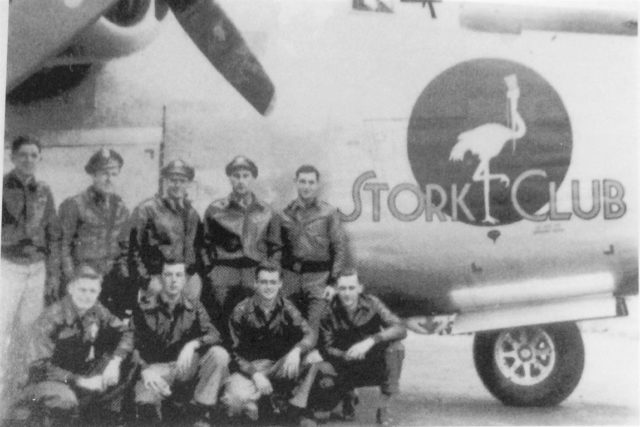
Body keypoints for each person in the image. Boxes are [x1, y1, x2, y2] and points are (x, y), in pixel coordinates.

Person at [11, 265, 136, 425]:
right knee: (65, 400)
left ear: (99, 292)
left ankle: (103, 417)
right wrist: (81, 381)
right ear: (71, 289)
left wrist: (115, 362)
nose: (87, 296)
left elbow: (126, 332)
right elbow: (39, 367)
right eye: (82, 290)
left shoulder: (96, 309)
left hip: (79, 372)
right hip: (47, 381)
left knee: (131, 360)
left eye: (92, 291)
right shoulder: (52, 317)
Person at [0, 135, 62, 416]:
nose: (28, 160)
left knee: (28, 330)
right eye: (23, 154)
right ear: (12, 157)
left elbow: (54, 235)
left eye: (34, 155)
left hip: (36, 268)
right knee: (2, 330)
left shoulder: (44, 191)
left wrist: (52, 275)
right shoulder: (3, 186)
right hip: (8, 266)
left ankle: (20, 391)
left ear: (39, 159)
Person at [133, 260, 229, 425]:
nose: (173, 280)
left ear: (184, 280)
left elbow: (214, 334)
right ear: (162, 278)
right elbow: (131, 344)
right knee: (145, 401)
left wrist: (192, 345)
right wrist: (145, 369)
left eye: (178, 275)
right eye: (168, 275)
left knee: (219, 355)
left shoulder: (194, 305)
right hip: (157, 369)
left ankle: (199, 413)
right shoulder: (145, 308)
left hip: (185, 365)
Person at [224, 264, 318, 426]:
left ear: (280, 284)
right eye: (264, 282)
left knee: (313, 357)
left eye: (273, 282)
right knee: (234, 402)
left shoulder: (287, 308)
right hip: (250, 370)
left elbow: (310, 334)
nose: (268, 287)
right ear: (255, 283)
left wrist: (296, 350)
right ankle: (262, 405)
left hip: (277, 367)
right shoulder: (241, 311)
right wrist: (255, 374)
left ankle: (295, 410)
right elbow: (233, 352)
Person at [201, 155, 280, 337]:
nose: (241, 180)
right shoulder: (215, 209)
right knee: (220, 319)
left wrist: (269, 272)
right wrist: (211, 270)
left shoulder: (267, 211)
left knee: (255, 317)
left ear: (252, 178)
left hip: (255, 270)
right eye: (236, 176)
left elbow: (276, 247)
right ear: (229, 178)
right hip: (224, 270)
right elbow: (204, 244)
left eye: (246, 175)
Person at [315, 272, 407, 426]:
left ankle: (384, 407)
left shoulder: (372, 303)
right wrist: (346, 355)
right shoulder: (328, 311)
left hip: (371, 361)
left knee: (396, 348)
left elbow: (400, 328)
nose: (347, 293)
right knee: (321, 413)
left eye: (351, 288)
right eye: (342, 288)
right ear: (336, 289)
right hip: (343, 363)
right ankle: (347, 396)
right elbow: (326, 347)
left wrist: (371, 340)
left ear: (360, 288)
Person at [59, 148, 130, 317]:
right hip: (83, 279)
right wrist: (73, 280)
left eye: (114, 174)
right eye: (104, 173)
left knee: (112, 328)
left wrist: (125, 277)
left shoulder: (121, 208)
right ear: (94, 175)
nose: (109, 178)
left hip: (112, 279)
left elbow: (125, 245)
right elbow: (63, 246)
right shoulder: (74, 205)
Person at [277, 164, 347, 329]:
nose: (306, 187)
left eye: (310, 182)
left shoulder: (329, 213)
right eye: (302, 182)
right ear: (296, 182)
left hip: (319, 279)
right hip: (290, 278)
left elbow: (339, 248)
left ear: (317, 184)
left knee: (315, 326)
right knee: (289, 326)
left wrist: (333, 282)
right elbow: (277, 248)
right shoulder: (285, 214)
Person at [128, 159, 203, 312]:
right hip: (157, 280)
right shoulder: (147, 209)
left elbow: (197, 247)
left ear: (188, 183)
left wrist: (193, 276)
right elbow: (133, 249)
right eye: (173, 180)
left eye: (182, 181)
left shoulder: (192, 214)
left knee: (185, 325)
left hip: (185, 281)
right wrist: (146, 280)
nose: (177, 185)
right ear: (165, 181)